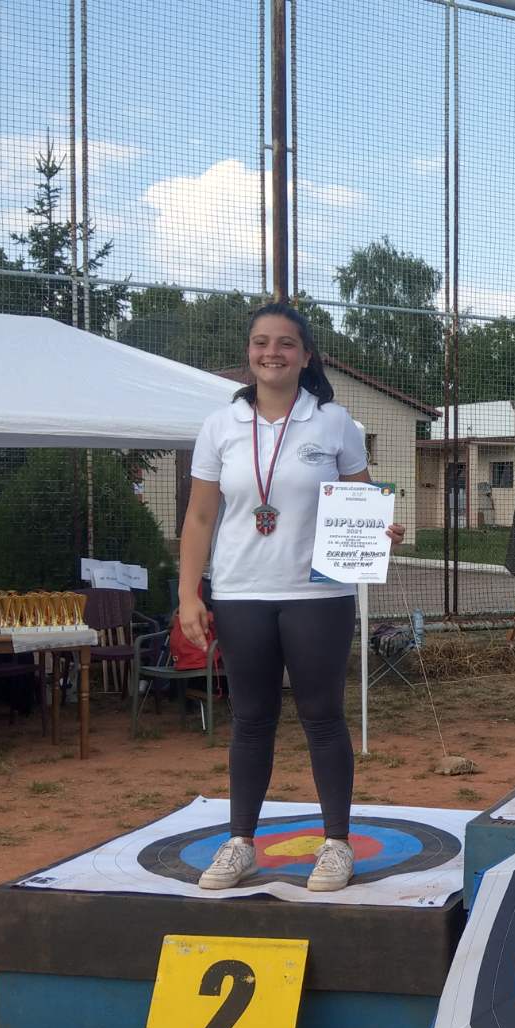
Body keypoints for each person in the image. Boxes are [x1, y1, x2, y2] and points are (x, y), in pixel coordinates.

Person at [177, 302, 404, 892]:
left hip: (317, 593)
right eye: (260, 342)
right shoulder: (221, 425)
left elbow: (360, 499)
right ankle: (241, 843)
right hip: (239, 592)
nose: (271, 353)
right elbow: (199, 517)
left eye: (284, 343)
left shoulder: (334, 422)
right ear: (248, 353)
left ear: (306, 356)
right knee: (251, 720)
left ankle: (336, 844)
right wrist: (188, 594)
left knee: (322, 716)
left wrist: (379, 529)